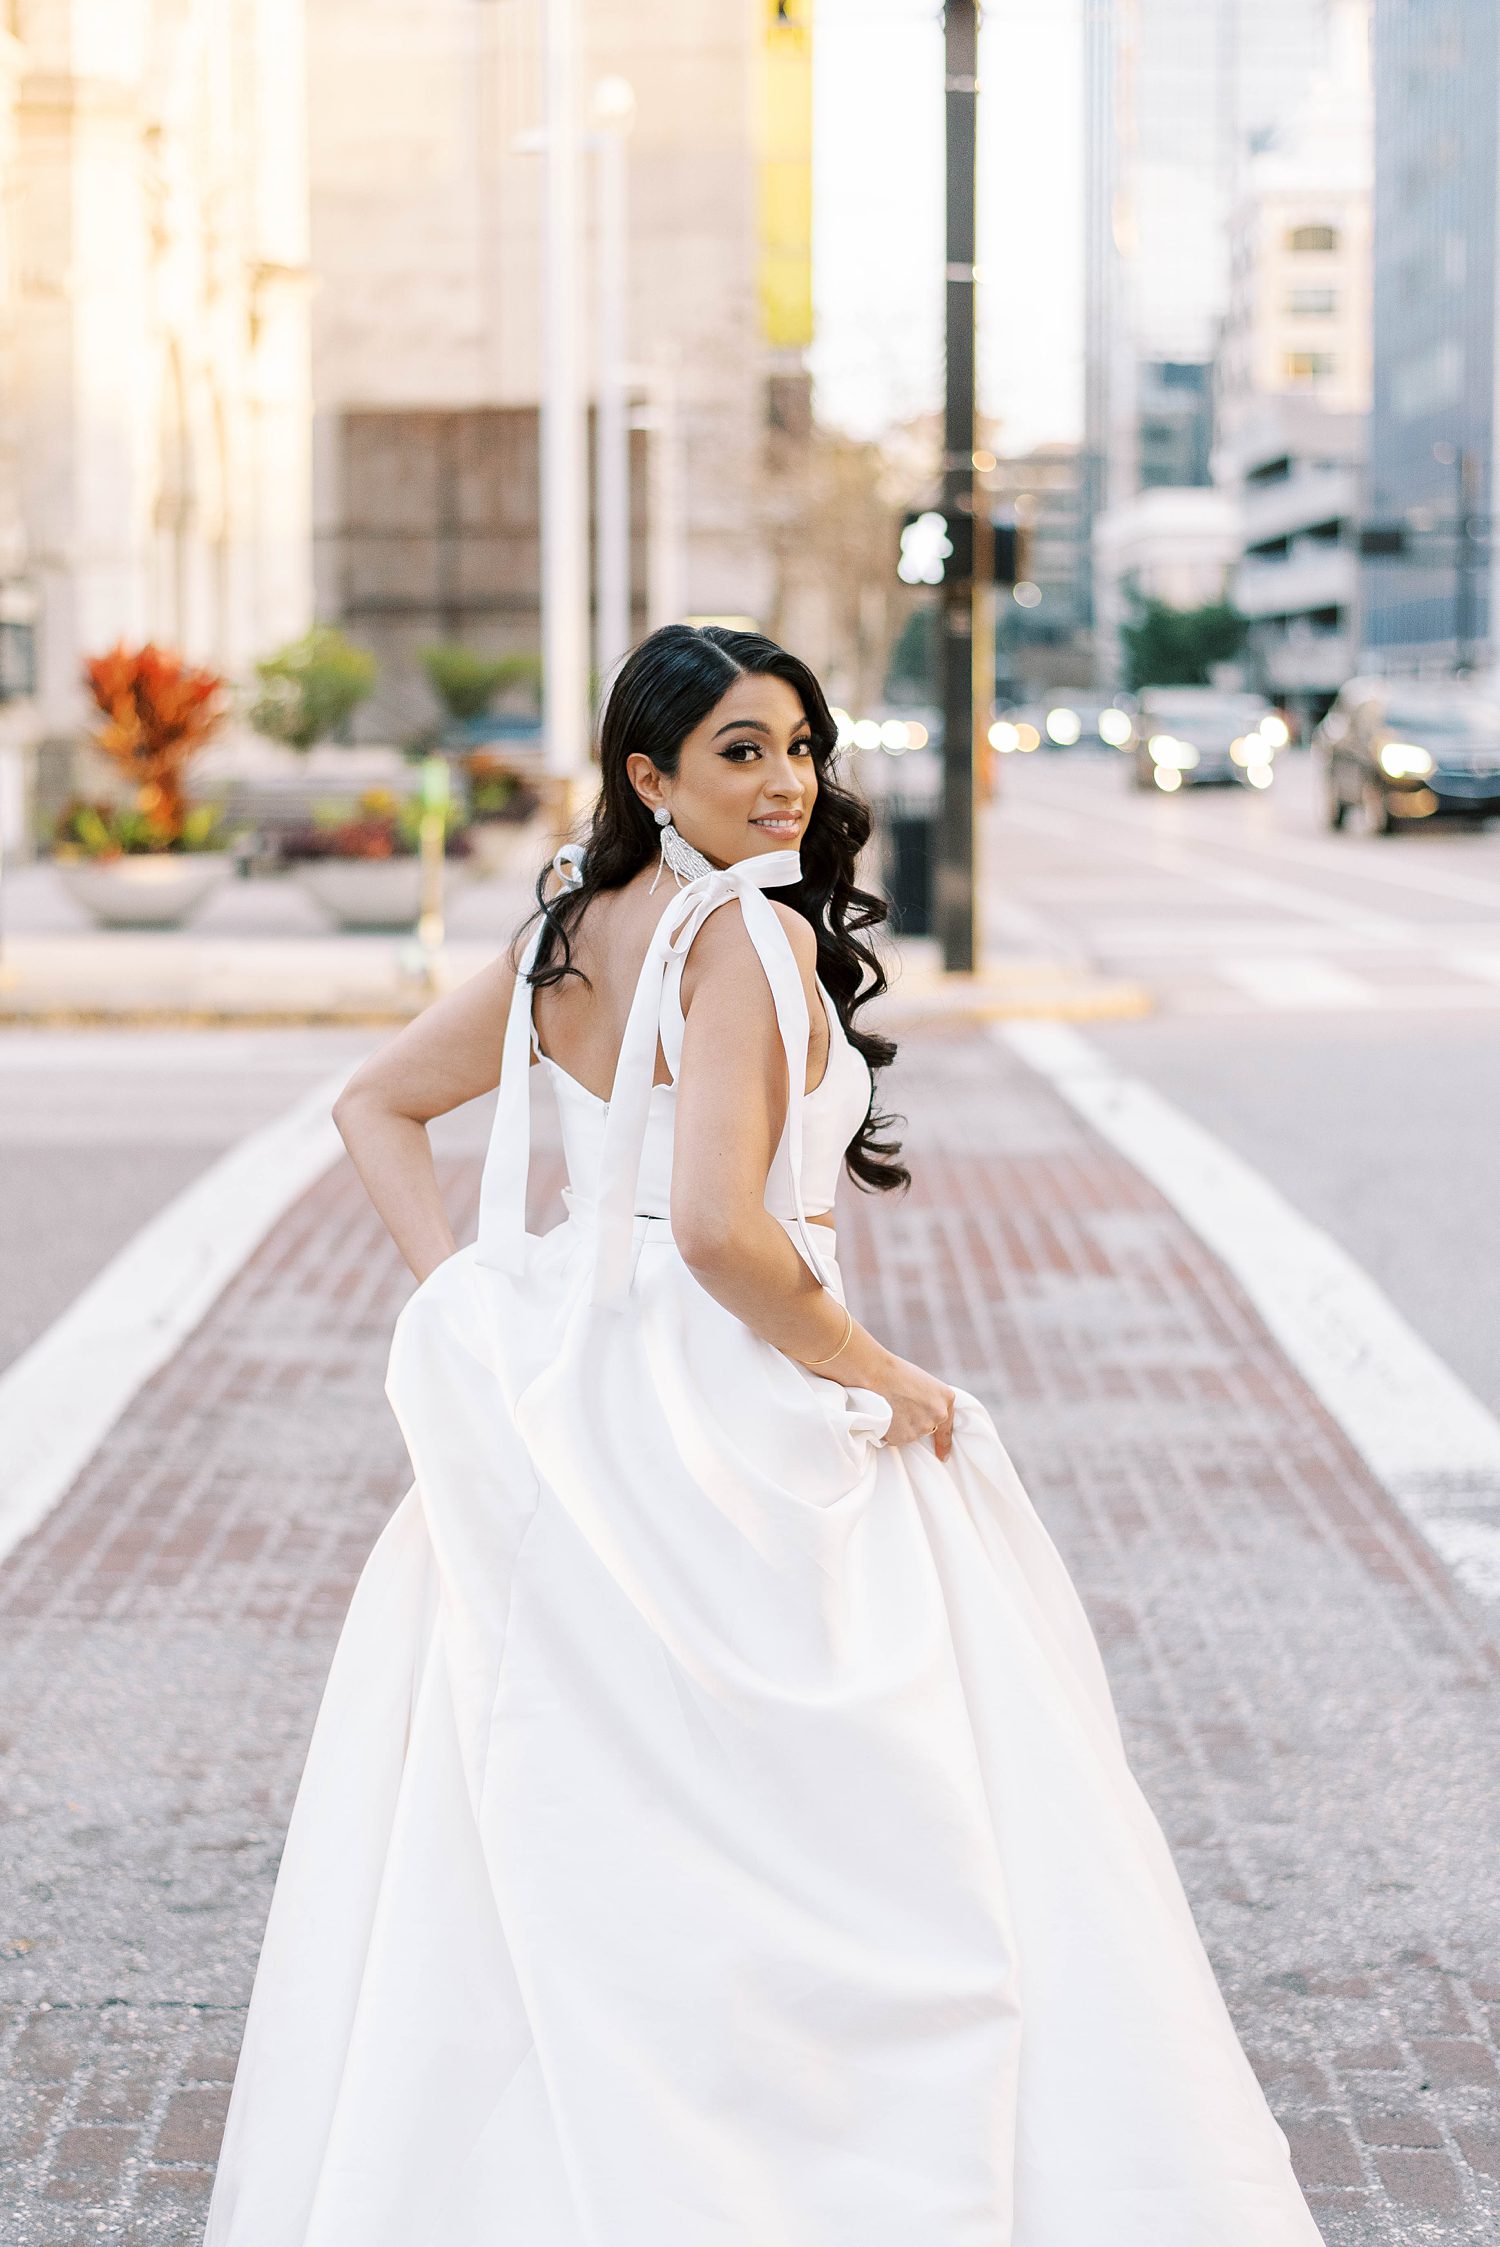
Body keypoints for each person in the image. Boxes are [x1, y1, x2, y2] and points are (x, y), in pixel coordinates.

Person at [202, 624, 1322, 2245]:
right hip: (736, 1410)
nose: (786, 781)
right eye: (739, 751)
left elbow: (375, 1103)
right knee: (880, 1833)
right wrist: (882, 1375)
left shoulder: (573, 931)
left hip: (572, 1408)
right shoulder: (742, 941)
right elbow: (729, 1238)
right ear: (648, 775)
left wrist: (483, 1304)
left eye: (800, 745)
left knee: (566, 1818)